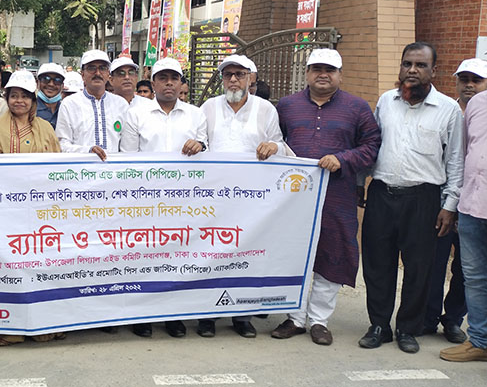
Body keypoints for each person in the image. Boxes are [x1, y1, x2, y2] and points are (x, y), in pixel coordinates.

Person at [359, 42, 463, 354]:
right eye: (407, 64)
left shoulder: (448, 109)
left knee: (419, 267)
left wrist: (449, 206)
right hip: (382, 193)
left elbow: (455, 161)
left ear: (434, 70)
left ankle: (408, 328)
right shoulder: (386, 102)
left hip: (424, 199)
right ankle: (379, 325)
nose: (412, 71)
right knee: (377, 264)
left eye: (420, 65)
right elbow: (372, 144)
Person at [271, 49, 381, 345]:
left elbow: (372, 145)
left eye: (330, 70)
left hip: (337, 195)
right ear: (306, 73)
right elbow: (276, 140)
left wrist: (343, 158)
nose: (323, 74)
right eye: (317, 68)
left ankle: (319, 320)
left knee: (332, 252)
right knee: (293, 253)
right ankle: (295, 317)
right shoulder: (287, 106)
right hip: (292, 197)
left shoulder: (357, 108)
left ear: (340, 75)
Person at [198, 54, 292, 339]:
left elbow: (279, 144)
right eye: (228, 75)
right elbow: (200, 142)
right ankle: (206, 316)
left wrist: (274, 148)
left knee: (246, 255)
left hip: (252, 201)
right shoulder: (208, 107)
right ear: (222, 79)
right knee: (210, 255)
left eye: (240, 74)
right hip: (214, 198)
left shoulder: (265, 110)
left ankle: (242, 315)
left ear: (251, 78)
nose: (234, 80)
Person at [120, 57, 207, 338]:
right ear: (153, 82)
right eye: (163, 78)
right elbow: (128, 160)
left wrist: (201, 145)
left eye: (174, 78)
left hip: (185, 202)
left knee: (179, 258)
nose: (169, 83)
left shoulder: (196, 115)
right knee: (144, 258)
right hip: (146, 201)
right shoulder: (136, 115)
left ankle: (174, 315)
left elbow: (208, 157)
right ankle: (142, 316)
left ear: (182, 83)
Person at [0, 71, 64, 345]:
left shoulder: (46, 128)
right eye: (14, 95)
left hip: (42, 213)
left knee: (42, 267)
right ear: (7, 98)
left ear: (33, 100)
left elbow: (58, 169)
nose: (19, 101)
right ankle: (11, 327)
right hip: (9, 214)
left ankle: (44, 323)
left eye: (24, 96)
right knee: (12, 269)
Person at [424, 59, 487, 344]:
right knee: (433, 262)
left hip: (476, 203)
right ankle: (427, 317)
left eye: (477, 80)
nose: (469, 85)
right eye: (464, 79)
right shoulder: (443, 111)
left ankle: (453, 320)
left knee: (466, 271)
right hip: (442, 200)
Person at [440, 88, 487, 362]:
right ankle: (480, 342)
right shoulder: (478, 103)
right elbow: (465, 153)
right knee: (476, 278)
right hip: (472, 206)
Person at [55, 49, 129, 160]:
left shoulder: (121, 104)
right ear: (82, 74)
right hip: (81, 171)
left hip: (115, 172)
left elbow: (127, 146)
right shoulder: (69, 104)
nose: (97, 73)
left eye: (102, 68)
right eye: (91, 68)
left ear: (108, 73)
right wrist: (87, 151)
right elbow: (61, 145)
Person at [36, 63, 66, 128]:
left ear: (62, 85)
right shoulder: (29, 109)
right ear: (38, 82)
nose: (51, 84)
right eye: (46, 79)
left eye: (57, 80)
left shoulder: (65, 109)